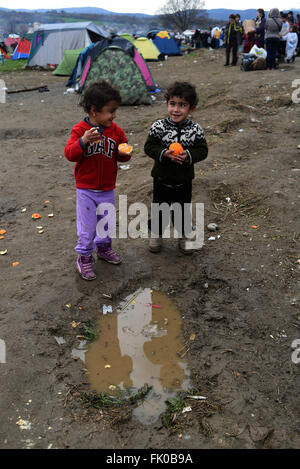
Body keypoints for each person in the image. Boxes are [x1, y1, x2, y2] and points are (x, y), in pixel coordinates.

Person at [64, 80, 132, 280]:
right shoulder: (80, 130)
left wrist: (124, 152)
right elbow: (70, 154)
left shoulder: (116, 131)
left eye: (115, 110)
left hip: (107, 188)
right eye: (110, 111)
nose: (114, 115)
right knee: (87, 227)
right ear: (94, 111)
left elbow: (122, 152)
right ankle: (84, 257)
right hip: (86, 189)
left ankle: (103, 248)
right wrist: (83, 141)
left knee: (106, 223)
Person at [144, 81, 208, 254]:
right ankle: (156, 234)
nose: (176, 109)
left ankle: (184, 235)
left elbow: (203, 150)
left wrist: (188, 155)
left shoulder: (196, 130)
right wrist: (164, 153)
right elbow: (149, 147)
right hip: (161, 180)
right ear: (167, 104)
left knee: (182, 210)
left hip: (183, 181)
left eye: (182, 105)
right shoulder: (159, 127)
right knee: (160, 209)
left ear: (191, 109)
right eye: (172, 104)